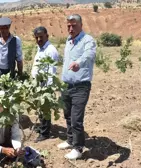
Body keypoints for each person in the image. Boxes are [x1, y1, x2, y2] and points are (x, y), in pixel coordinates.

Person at [58, 14, 96, 160]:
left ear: (81, 25)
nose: (71, 28)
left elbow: (89, 55)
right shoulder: (69, 41)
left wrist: (78, 63)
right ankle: (70, 140)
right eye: (68, 25)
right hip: (66, 85)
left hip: (81, 86)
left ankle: (78, 148)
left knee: (76, 119)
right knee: (67, 115)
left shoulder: (88, 40)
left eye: (73, 25)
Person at [30, 26, 59, 143]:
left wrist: (47, 89)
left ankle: (45, 133)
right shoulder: (40, 48)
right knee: (41, 108)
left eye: (41, 37)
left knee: (45, 108)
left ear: (47, 36)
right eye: (36, 38)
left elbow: (51, 70)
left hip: (45, 85)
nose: (38, 40)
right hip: (38, 83)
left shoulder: (50, 50)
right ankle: (43, 128)